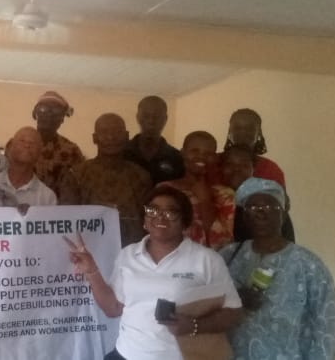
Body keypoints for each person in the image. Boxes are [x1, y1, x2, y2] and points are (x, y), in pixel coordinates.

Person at [67, 186, 244, 360]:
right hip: (127, 354)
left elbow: (233, 311)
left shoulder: (207, 259)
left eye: (171, 212)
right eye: (153, 210)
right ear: (144, 220)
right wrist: (91, 270)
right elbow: (113, 309)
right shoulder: (128, 255)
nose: (160, 216)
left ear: (185, 222)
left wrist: (194, 326)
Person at [221, 178, 335, 360]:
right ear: (244, 217)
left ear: (283, 214)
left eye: (268, 207)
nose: (260, 213)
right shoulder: (227, 256)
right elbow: (206, 303)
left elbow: (326, 327)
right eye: (252, 208)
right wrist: (234, 298)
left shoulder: (309, 265)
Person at [60, 113, 151, 246]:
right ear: (94, 138)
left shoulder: (141, 176)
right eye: (104, 132)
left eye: (117, 132)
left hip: (131, 252)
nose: (111, 137)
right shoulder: (76, 175)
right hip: (89, 250)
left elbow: (149, 221)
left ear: (126, 136)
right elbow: (66, 220)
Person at [219, 108, 294, 241]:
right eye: (237, 128)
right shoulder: (215, 162)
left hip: (259, 237)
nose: (243, 133)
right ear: (230, 131)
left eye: (249, 128)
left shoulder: (271, 169)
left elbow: (280, 209)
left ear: (258, 132)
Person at [157, 131, 235, 249]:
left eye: (208, 153)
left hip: (208, 259)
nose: (201, 157)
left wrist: (205, 200)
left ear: (215, 158)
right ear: (182, 153)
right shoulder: (165, 189)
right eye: (194, 151)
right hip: (170, 257)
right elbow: (158, 231)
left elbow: (221, 242)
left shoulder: (225, 195)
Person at [32, 91, 85, 195]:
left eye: (56, 112)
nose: (49, 115)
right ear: (34, 114)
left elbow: (78, 186)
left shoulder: (72, 150)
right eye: (43, 109)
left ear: (62, 119)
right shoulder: (17, 144)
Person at [124, 96, 185, 184]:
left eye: (157, 116)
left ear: (165, 119)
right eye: (146, 116)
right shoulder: (122, 153)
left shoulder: (176, 158)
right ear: (138, 117)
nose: (151, 121)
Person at [0, 126, 58, 207]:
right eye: (22, 141)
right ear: (10, 147)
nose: (27, 145)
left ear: (40, 152)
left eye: (32, 143)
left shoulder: (47, 197)